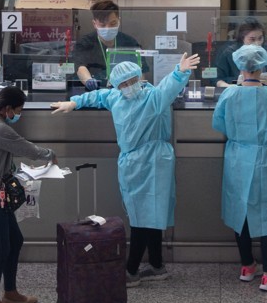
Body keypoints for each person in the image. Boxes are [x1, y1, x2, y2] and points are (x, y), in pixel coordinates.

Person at [52, 53, 200, 287]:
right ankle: (157, 265)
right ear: (116, 85)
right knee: (147, 215)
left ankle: (130, 271)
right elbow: (98, 96)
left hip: (154, 162)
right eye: (123, 84)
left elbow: (170, 87)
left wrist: (180, 71)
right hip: (133, 164)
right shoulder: (116, 97)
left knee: (144, 218)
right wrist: (73, 102)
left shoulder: (154, 97)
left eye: (132, 81)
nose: (128, 87)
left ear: (140, 77)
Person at [212, 44, 267, 292]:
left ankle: (247, 266)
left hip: (238, 156)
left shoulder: (229, 95)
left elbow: (219, 125)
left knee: (241, 210)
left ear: (239, 67)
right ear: (263, 67)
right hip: (266, 158)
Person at [0, 86, 57, 303]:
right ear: (8, 109)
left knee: (15, 241)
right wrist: (50, 155)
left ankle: (10, 292)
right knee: (0, 249)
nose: (20, 114)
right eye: (19, 110)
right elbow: (26, 148)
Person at [74, 0, 144, 89]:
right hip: (95, 93)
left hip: (124, 93)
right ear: (94, 24)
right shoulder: (85, 43)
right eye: (103, 25)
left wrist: (137, 88)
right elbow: (80, 67)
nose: (108, 28)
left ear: (119, 21)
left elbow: (141, 70)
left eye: (113, 23)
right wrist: (88, 80)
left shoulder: (129, 43)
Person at [215, 18, 267, 88]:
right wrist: (232, 88)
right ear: (242, 38)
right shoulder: (228, 52)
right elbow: (217, 79)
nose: (257, 43)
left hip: (262, 90)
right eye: (252, 39)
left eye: (260, 38)